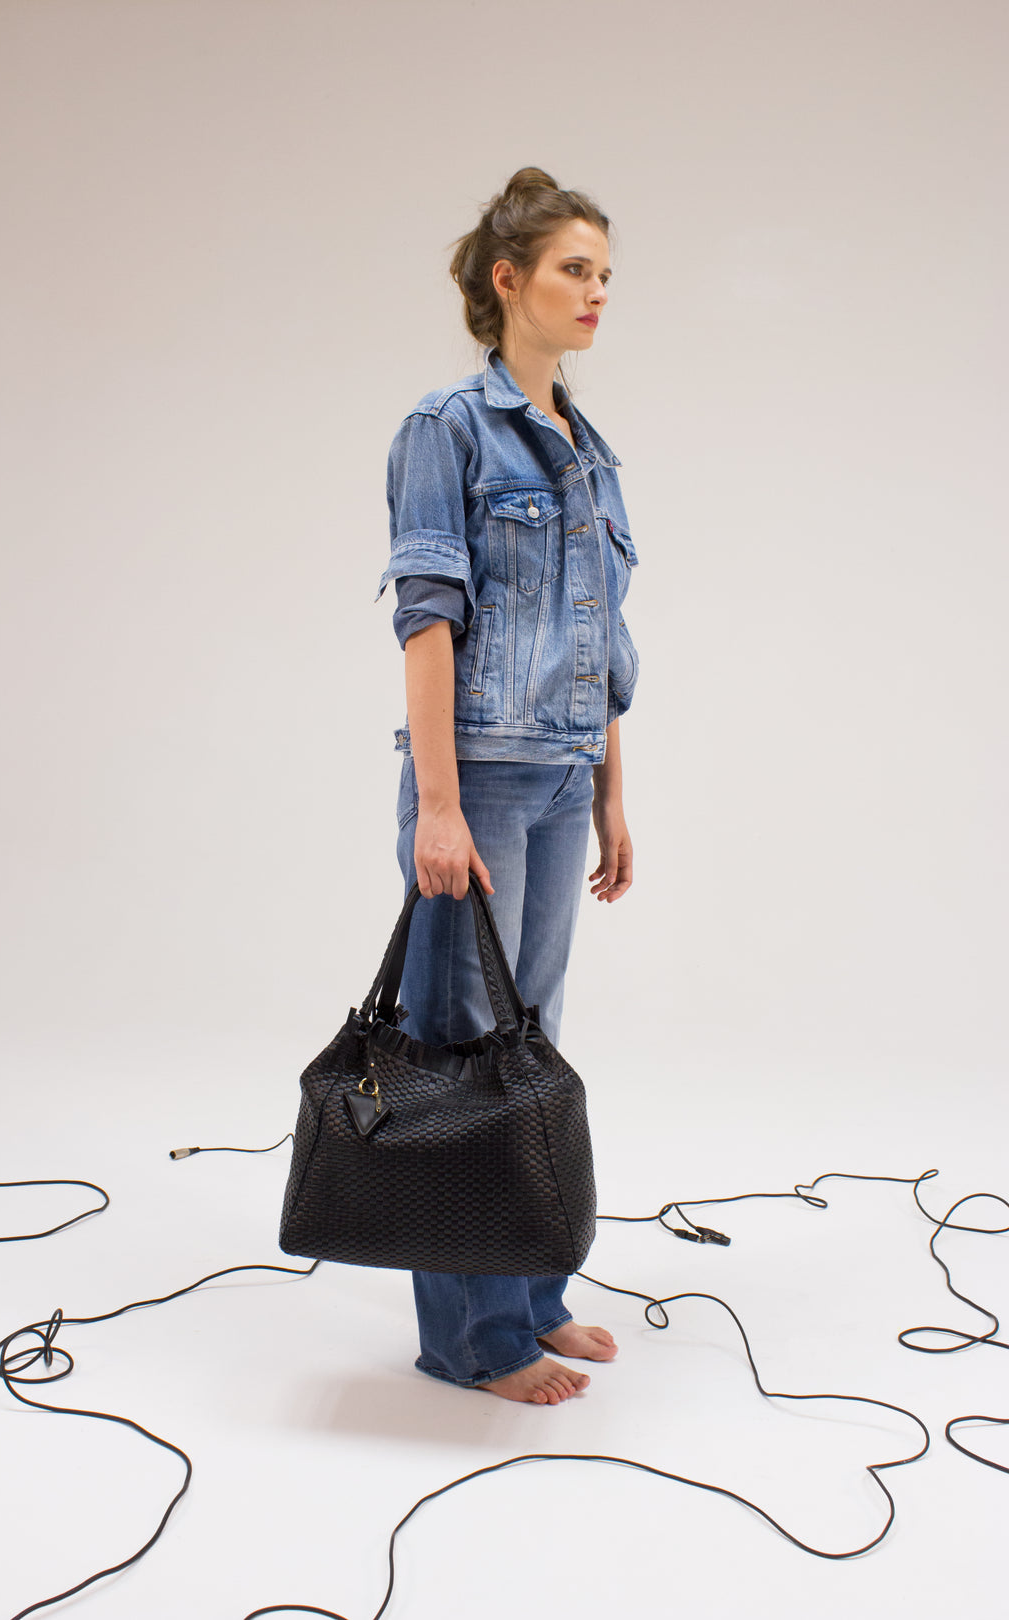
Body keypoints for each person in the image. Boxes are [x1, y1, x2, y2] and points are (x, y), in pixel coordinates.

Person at [374, 167, 639, 1405]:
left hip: (558, 778)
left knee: (532, 1052)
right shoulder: (446, 430)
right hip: (475, 784)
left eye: (603, 273)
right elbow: (430, 622)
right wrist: (435, 805)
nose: (596, 293)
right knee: (461, 1051)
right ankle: (470, 1345)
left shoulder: (590, 452)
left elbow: (606, 639)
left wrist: (609, 792)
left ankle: (533, 1298)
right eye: (574, 269)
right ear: (508, 279)